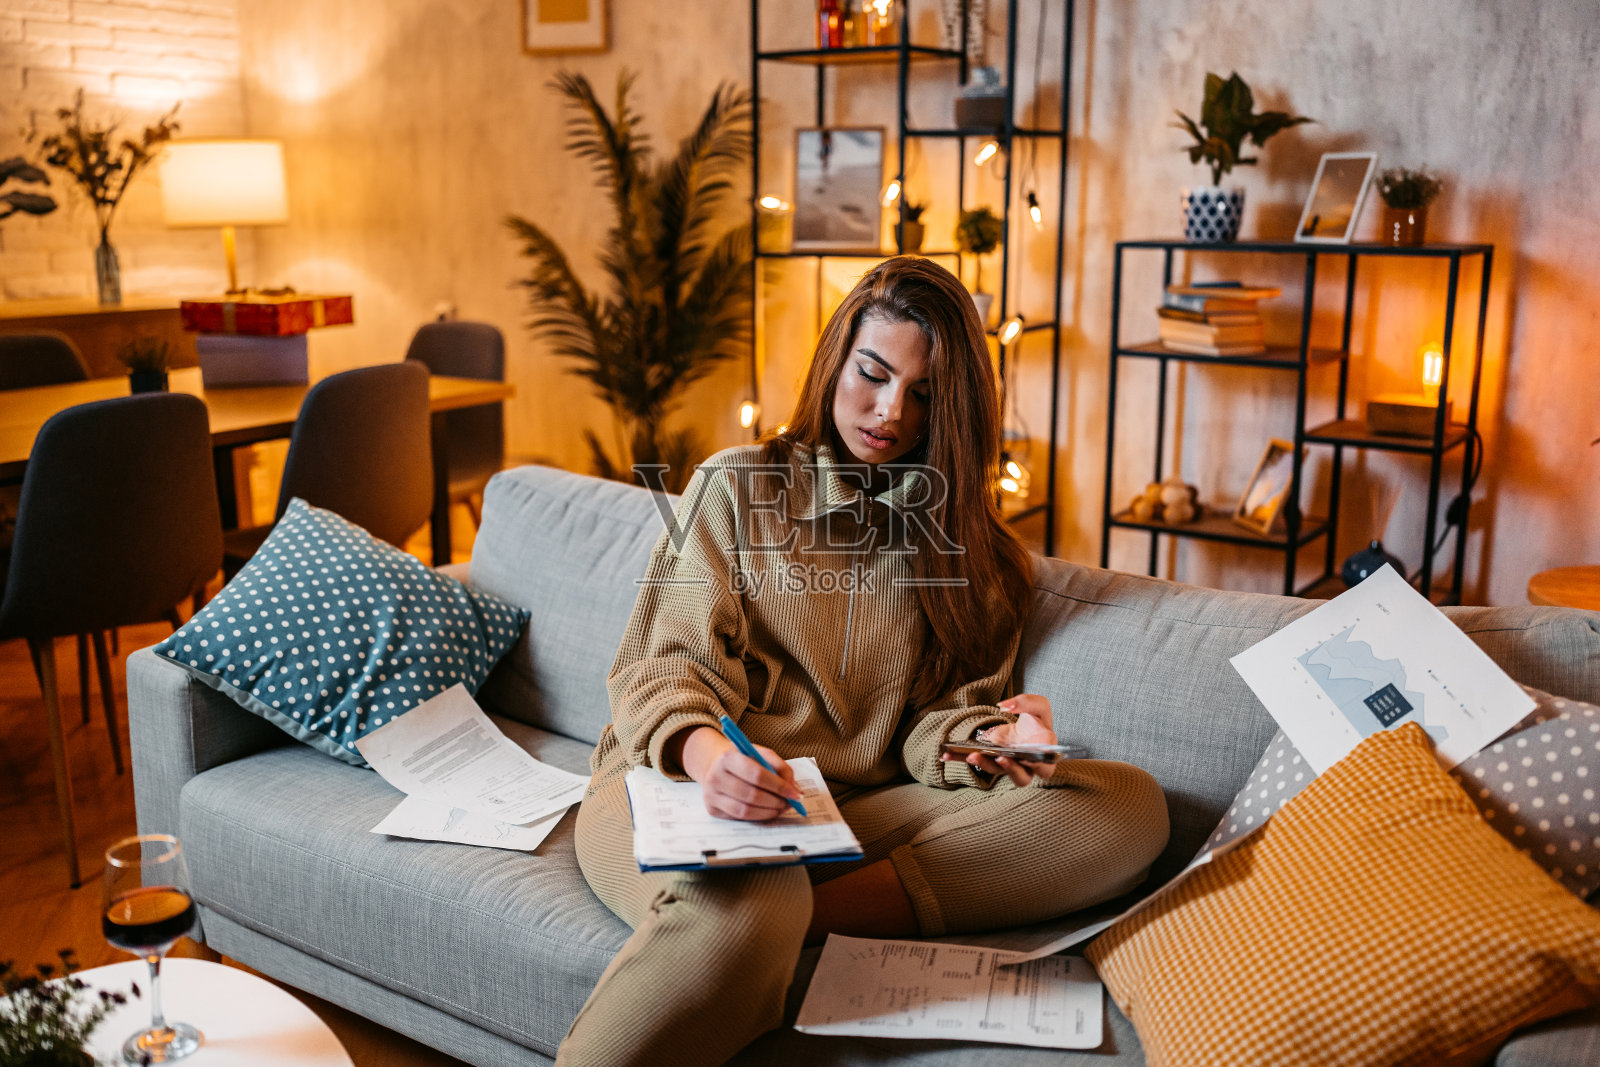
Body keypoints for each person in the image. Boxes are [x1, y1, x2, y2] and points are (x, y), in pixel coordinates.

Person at [558, 257, 1169, 1066]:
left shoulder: (976, 557)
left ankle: (799, 918)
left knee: (1126, 805)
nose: (890, 411)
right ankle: (768, 918)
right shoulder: (738, 488)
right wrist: (712, 761)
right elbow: (662, 670)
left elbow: (931, 731)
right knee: (758, 889)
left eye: (923, 395)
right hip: (676, 782)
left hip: (855, 811)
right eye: (874, 374)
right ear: (837, 359)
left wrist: (994, 738)